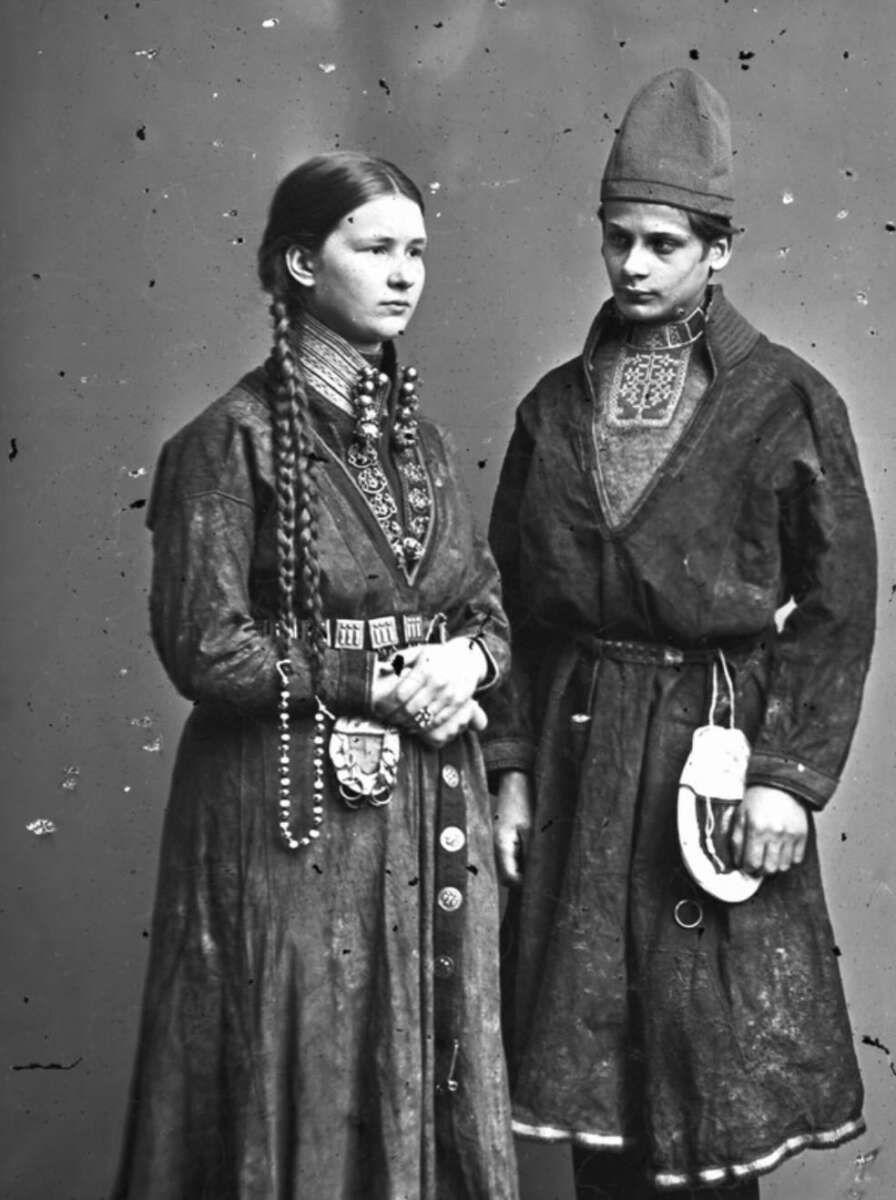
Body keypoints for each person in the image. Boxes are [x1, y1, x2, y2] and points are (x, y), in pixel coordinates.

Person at [485, 70, 876, 1198]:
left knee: (703, 1088)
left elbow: (840, 604)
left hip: (708, 760)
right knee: (589, 1086)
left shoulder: (786, 402)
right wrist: (509, 775)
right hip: (574, 758)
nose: (634, 266)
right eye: (617, 241)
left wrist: (784, 782)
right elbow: (505, 602)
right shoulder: (551, 408)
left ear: (718, 252)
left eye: (662, 242)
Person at [113, 151, 519, 1200]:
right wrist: (370, 680)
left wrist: (465, 658)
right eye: (372, 248)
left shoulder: (420, 446)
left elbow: (484, 605)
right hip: (289, 822)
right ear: (298, 261)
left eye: (416, 252)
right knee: (304, 1062)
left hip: (426, 812)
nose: (402, 275)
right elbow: (205, 646)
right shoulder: (226, 443)